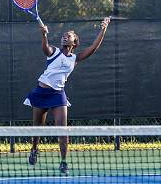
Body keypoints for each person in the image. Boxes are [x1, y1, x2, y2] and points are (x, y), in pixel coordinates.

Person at [23, 17, 111, 174]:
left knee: (62, 130)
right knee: (37, 129)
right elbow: (45, 48)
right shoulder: (54, 51)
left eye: (69, 36)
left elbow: (93, 47)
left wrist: (103, 29)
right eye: (64, 35)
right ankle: (34, 149)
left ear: (74, 43)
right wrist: (44, 35)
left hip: (58, 95)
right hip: (41, 93)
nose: (65, 36)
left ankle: (63, 162)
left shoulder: (75, 59)